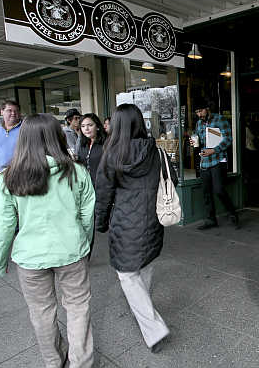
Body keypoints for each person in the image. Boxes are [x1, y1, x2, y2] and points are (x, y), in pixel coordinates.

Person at [0, 114, 95, 367]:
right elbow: (87, 215)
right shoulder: (77, 171)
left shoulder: (8, 178)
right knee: (78, 307)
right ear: (57, 138)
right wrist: (85, 243)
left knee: (41, 312)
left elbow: (2, 224)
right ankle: (81, 363)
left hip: (29, 257)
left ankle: (53, 361)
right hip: (71, 251)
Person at [95, 104, 175, 354]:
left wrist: (100, 222)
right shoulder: (156, 151)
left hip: (124, 225)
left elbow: (103, 193)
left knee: (128, 276)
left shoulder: (111, 154)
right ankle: (145, 309)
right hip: (151, 221)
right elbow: (170, 176)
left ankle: (153, 328)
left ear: (116, 126)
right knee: (144, 268)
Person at [190, 98, 238, 230]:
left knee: (219, 190)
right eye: (197, 112)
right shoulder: (199, 124)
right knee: (206, 192)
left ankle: (232, 213)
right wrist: (194, 143)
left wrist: (213, 150)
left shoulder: (220, 119)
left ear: (207, 108)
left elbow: (228, 139)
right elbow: (199, 141)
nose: (199, 115)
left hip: (218, 160)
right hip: (205, 161)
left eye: (200, 111)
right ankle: (211, 220)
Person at [0, 100, 22, 177]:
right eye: (9, 110)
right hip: (1, 176)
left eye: (16, 111)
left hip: (22, 175)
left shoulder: (25, 129)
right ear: (2, 112)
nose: (13, 113)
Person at [76, 113, 107, 188]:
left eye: (90, 125)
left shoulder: (106, 143)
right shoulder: (83, 144)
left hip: (103, 186)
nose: (86, 129)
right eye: (83, 126)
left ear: (97, 127)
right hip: (87, 187)